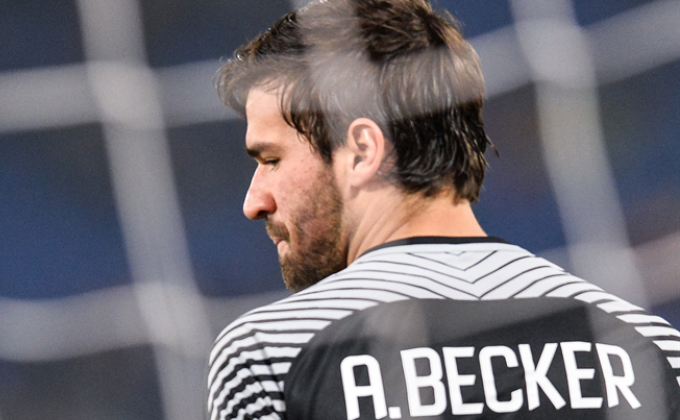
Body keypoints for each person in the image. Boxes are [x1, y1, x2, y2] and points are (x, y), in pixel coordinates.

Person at [207, 0, 680, 419]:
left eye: (271, 160)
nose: (254, 202)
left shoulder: (270, 353)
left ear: (363, 151)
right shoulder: (649, 345)